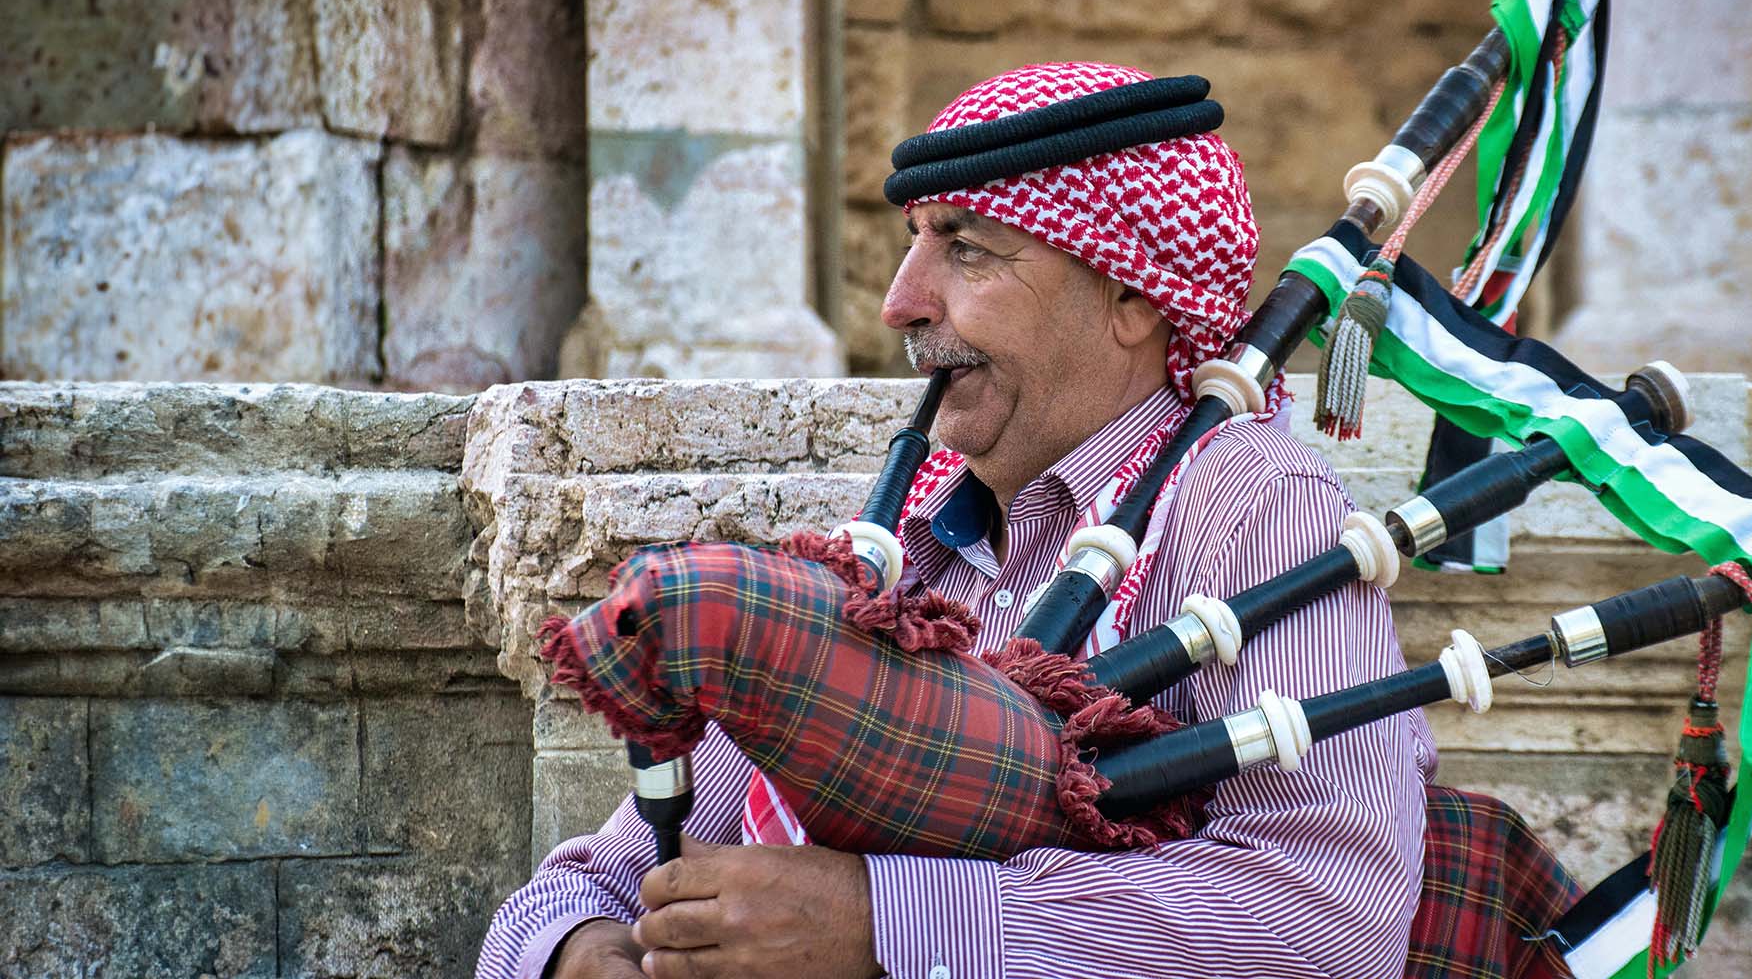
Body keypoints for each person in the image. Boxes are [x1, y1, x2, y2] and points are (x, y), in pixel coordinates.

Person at [477, 62, 1436, 979]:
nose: (900, 302)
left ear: (1133, 296)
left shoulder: (1254, 513)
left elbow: (1326, 918)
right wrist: (584, 954)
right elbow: (599, 879)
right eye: (916, 242)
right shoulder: (910, 552)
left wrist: (877, 921)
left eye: (966, 250)